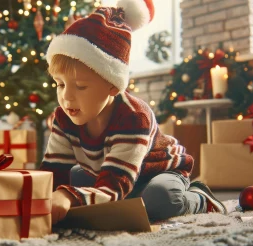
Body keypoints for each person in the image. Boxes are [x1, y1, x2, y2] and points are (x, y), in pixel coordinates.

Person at [40, 0, 227, 225]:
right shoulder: (65, 116)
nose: (67, 97)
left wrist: (68, 196)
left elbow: (113, 185)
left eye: (80, 86)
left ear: (112, 85)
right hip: (114, 172)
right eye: (60, 84)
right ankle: (130, 199)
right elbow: (53, 170)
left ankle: (201, 198)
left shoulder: (133, 117)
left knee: (161, 199)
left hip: (156, 172)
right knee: (74, 177)